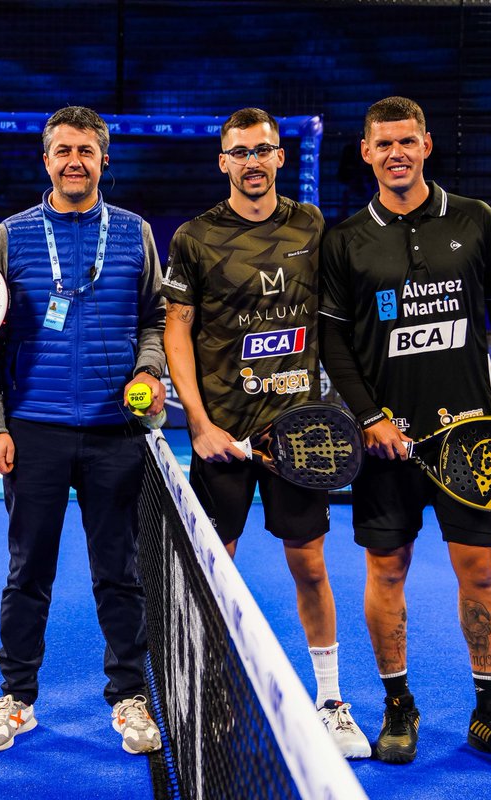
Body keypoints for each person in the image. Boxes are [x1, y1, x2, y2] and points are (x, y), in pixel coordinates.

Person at [318, 96, 491, 771]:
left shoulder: (475, 220)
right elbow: (333, 342)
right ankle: (398, 709)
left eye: (407, 141)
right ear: (366, 152)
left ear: (427, 143)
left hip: (473, 442)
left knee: (481, 570)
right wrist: (371, 419)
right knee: (386, 570)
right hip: (387, 450)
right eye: (383, 143)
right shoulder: (346, 239)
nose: (396, 153)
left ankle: (490, 714)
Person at [161, 107, 370, 760]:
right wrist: (198, 422)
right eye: (239, 152)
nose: (252, 162)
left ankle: (332, 700)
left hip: (299, 437)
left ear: (281, 157)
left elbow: (336, 319)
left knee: (309, 564)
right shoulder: (195, 238)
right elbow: (176, 330)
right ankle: (209, 690)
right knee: (214, 573)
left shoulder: (312, 226)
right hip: (222, 435)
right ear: (223, 162)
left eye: (263, 150)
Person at [0, 105, 166, 755]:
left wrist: (147, 369)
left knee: (121, 572)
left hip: (117, 431)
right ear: (45, 160)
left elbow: (154, 320)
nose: (74, 160)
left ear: (105, 159)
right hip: (35, 432)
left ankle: (130, 697)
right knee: (29, 571)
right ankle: (17, 698)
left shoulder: (135, 232)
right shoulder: (10, 234)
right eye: (63, 150)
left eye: (86, 149)